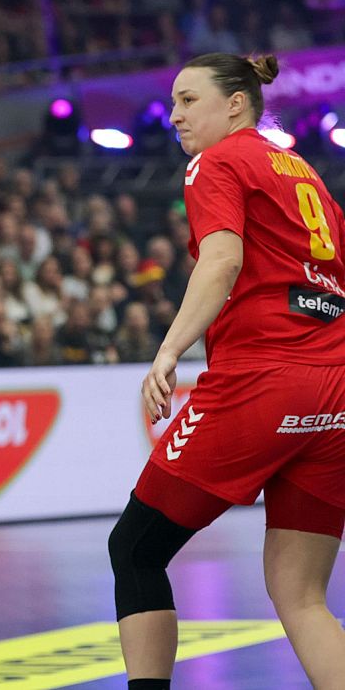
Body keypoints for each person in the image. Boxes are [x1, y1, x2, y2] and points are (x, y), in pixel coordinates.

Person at [113, 53, 345, 690]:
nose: (176, 115)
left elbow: (221, 259)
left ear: (236, 103)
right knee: (301, 595)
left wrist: (168, 351)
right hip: (336, 386)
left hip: (264, 378)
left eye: (190, 101)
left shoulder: (215, 162)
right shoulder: (305, 173)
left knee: (134, 549)